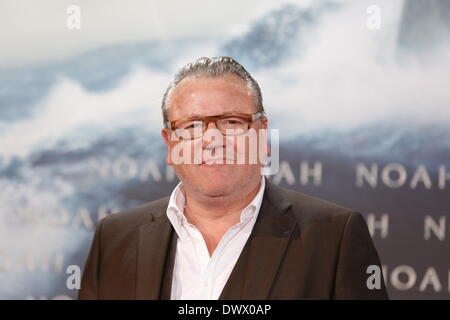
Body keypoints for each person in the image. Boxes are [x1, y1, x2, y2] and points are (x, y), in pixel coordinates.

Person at [78, 56, 388, 300]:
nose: (213, 139)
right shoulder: (115, 238)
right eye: (192, 126)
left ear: (262, 134)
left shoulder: (334, 236)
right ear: (171, 144)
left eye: (232, 121)